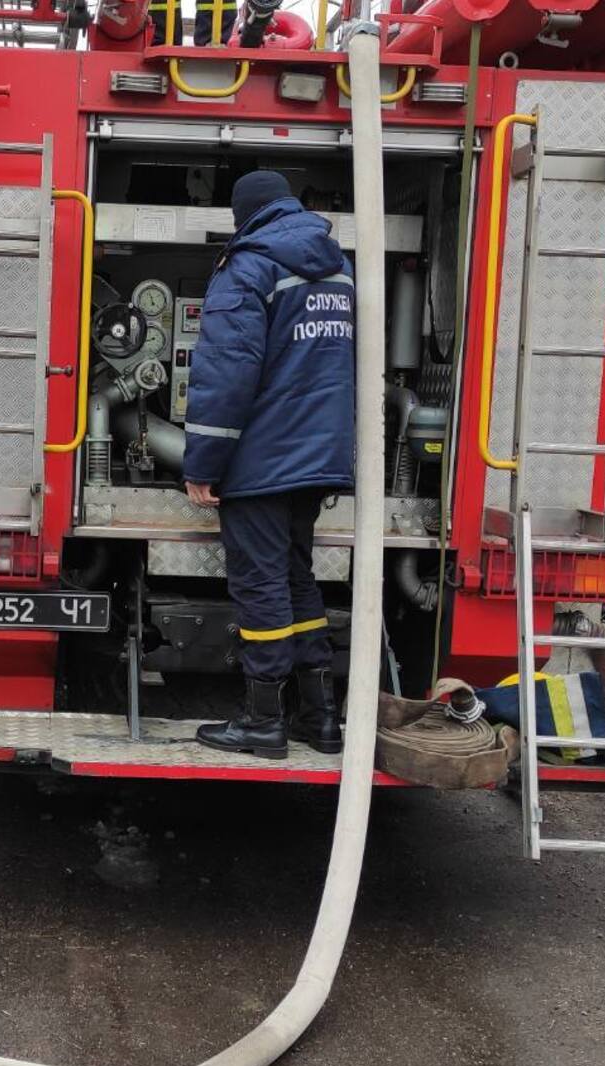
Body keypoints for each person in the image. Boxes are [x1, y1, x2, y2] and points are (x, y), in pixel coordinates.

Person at [182, 170, 356, 760]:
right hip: (319, 458)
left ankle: (262, 722)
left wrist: (202, 463)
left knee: (260, 587)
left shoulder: (249, 266)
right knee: (297, 578)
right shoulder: (337, 267)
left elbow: (224, 374)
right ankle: (320, 718)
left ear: (245, 214)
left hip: (262, 462)